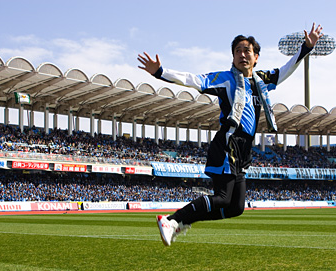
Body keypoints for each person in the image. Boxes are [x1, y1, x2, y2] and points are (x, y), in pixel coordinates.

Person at [138, 23, 324, 246]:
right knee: (223, 197)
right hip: (228, 143)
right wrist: (161, 72)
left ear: (256, 57)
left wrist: (306, 47)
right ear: (232, 57)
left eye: (247, 51)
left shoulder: (261, 81)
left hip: (244, 149)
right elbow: (194, 79)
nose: (242, 55)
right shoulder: (226, 78)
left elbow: (286, 69)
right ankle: (173, 220)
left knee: (236, 207)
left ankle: (178, 223)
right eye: (237, 51)